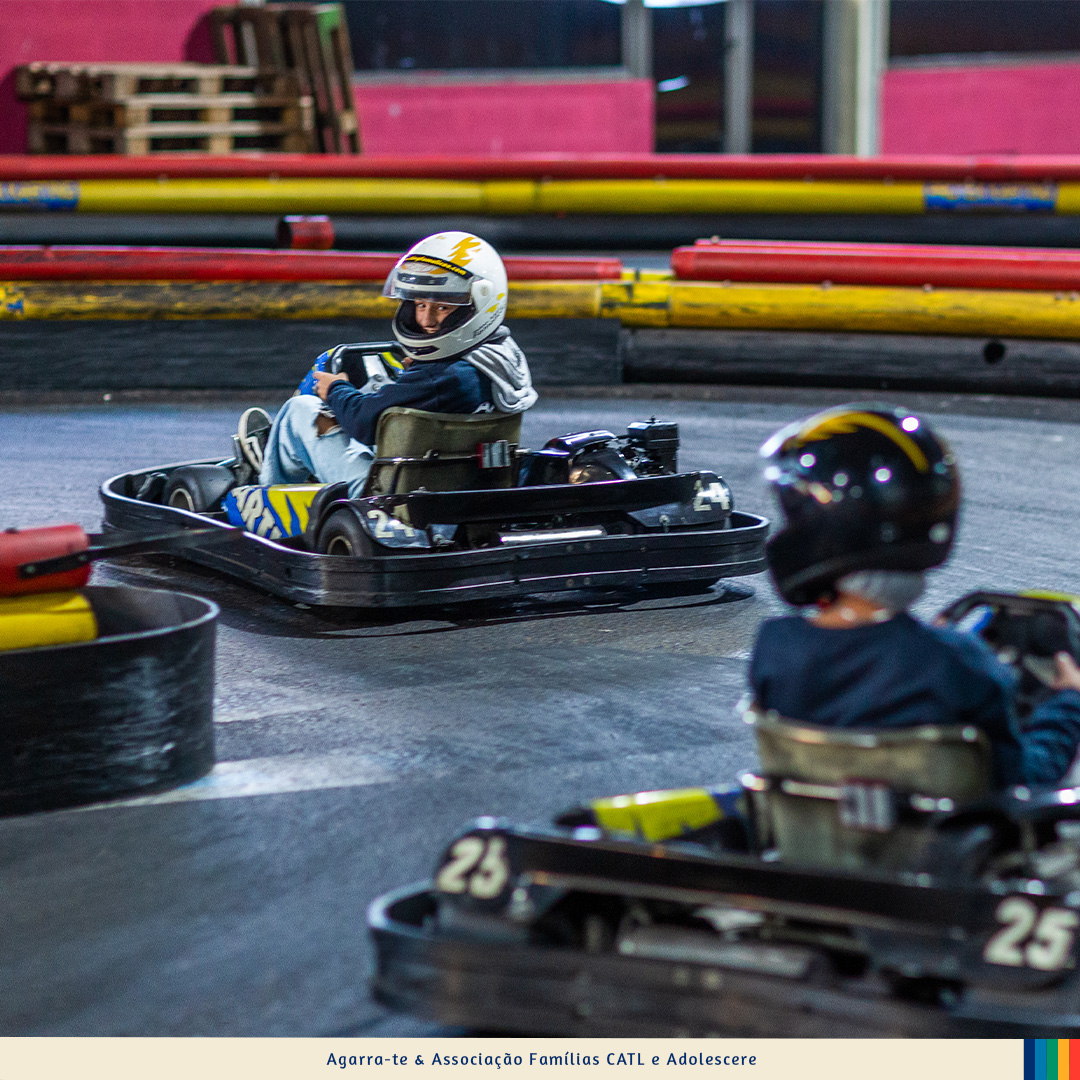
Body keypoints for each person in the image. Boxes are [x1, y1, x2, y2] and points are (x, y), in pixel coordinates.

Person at [748, 404, 1080, 788]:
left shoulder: (775, 648)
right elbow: (1026, 778)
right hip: (941, 828)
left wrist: (933, 639)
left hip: (810, 823)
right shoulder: (959, 664)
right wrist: (1069, 702)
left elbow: (866, 674)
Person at [234, 231, 537, 499]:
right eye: (420, 304)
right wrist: (415, 372)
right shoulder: (501, 360)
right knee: (379, 392)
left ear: (479, 306)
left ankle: (265, 486)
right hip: (462, 483)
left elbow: (363, 422)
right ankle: (287, 456)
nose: (427, 320)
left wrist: (336, 388)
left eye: (443, 307)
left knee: (300, 410)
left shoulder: (441, 378)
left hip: (388, 492)